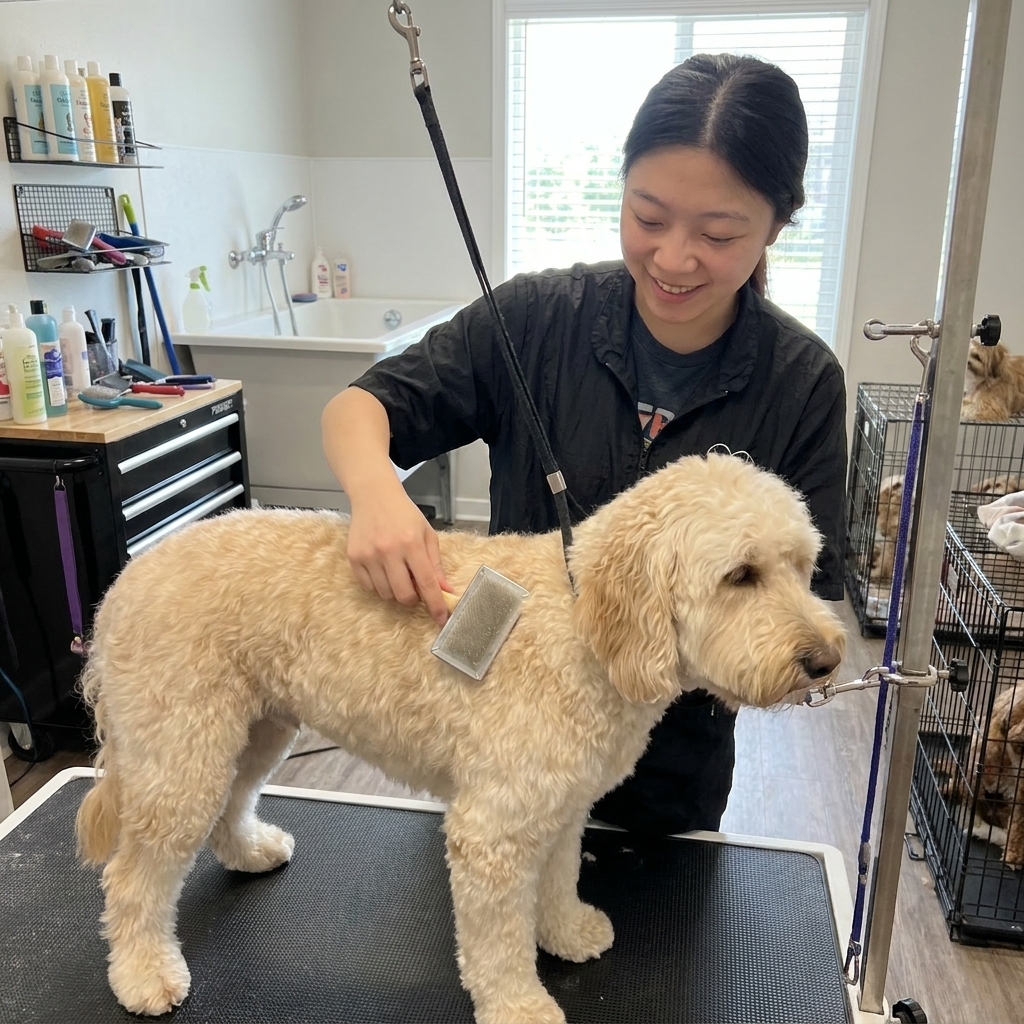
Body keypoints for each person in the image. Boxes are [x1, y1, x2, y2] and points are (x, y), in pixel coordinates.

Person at [321, 53, 847, 837]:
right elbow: (361, 406)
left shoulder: (801, 382)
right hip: (498, 705)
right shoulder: (533, 318)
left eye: (718, 232)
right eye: (648, 217)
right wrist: (374, 493)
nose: (672, 258)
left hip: (670, 762)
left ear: (776, 223)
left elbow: (807, 591)